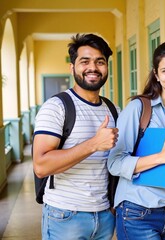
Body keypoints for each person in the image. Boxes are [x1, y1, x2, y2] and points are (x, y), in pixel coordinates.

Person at [33, 33, 119, 239]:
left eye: (100, 62)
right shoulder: (56, 107)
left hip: (105, 215)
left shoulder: (113, 110)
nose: (93, 67)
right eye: (85, 61)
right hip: (65, 215)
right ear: (72, 68)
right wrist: (93, 144)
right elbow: (41, 166)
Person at [107, 41, 165, 239]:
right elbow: (114, 162)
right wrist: (160, 157)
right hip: (138, 212)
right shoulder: (139, 109)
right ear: (156, 74)